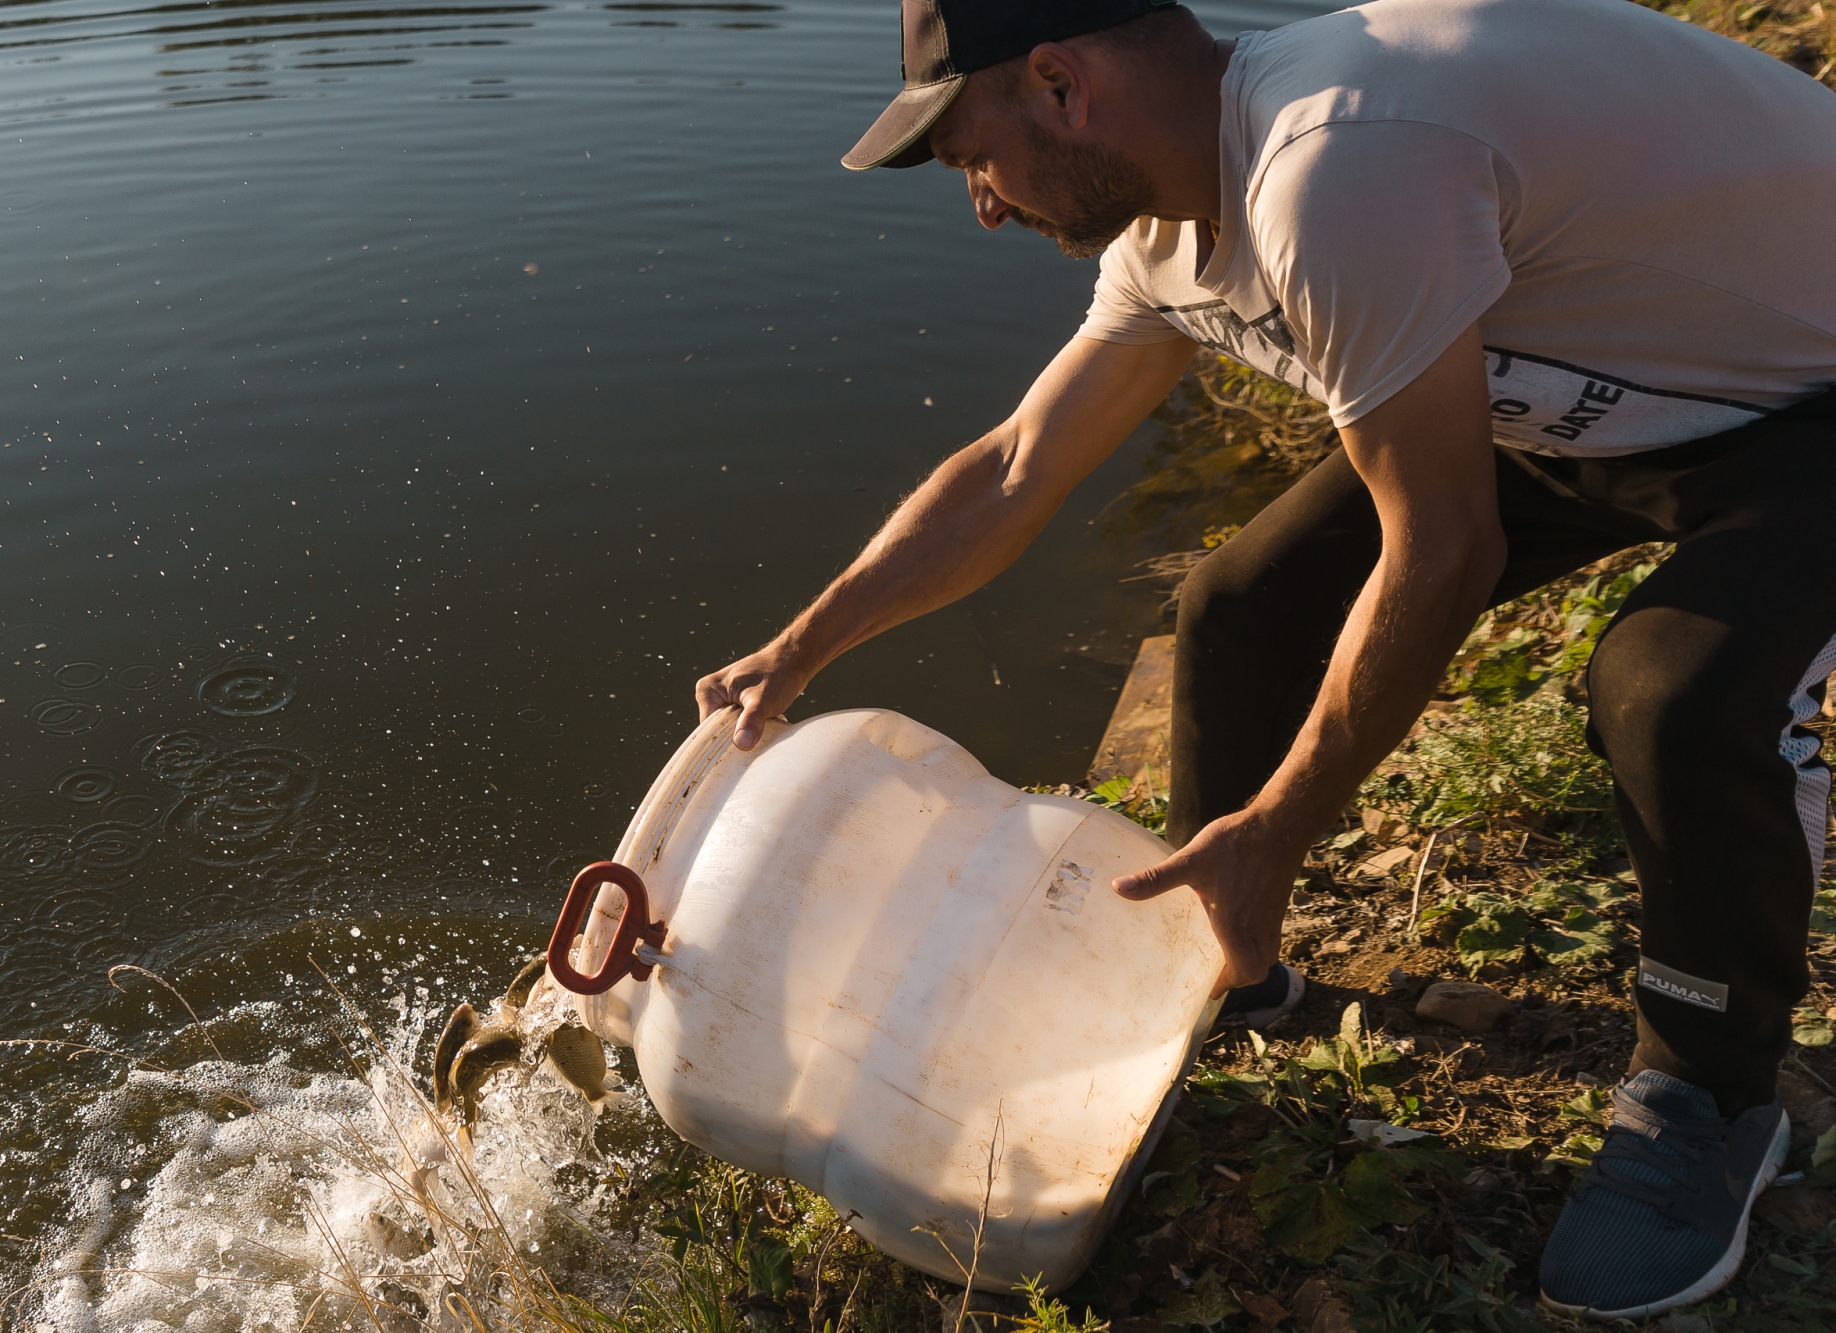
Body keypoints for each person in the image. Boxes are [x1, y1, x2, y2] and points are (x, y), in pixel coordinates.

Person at [694, 0, 1836, 1316]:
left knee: (1671, 695)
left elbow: (1443, 551)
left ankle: (1709, 1091)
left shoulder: (1338, 159)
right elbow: (1014, 470)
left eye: (972, 156)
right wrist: (800, 645)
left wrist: (1283, 820)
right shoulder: (1176, 227)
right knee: (1242, 603)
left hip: (1808, 396)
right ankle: (1231, 971)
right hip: (1633, 390)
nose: (986, 207)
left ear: (1062, 84)